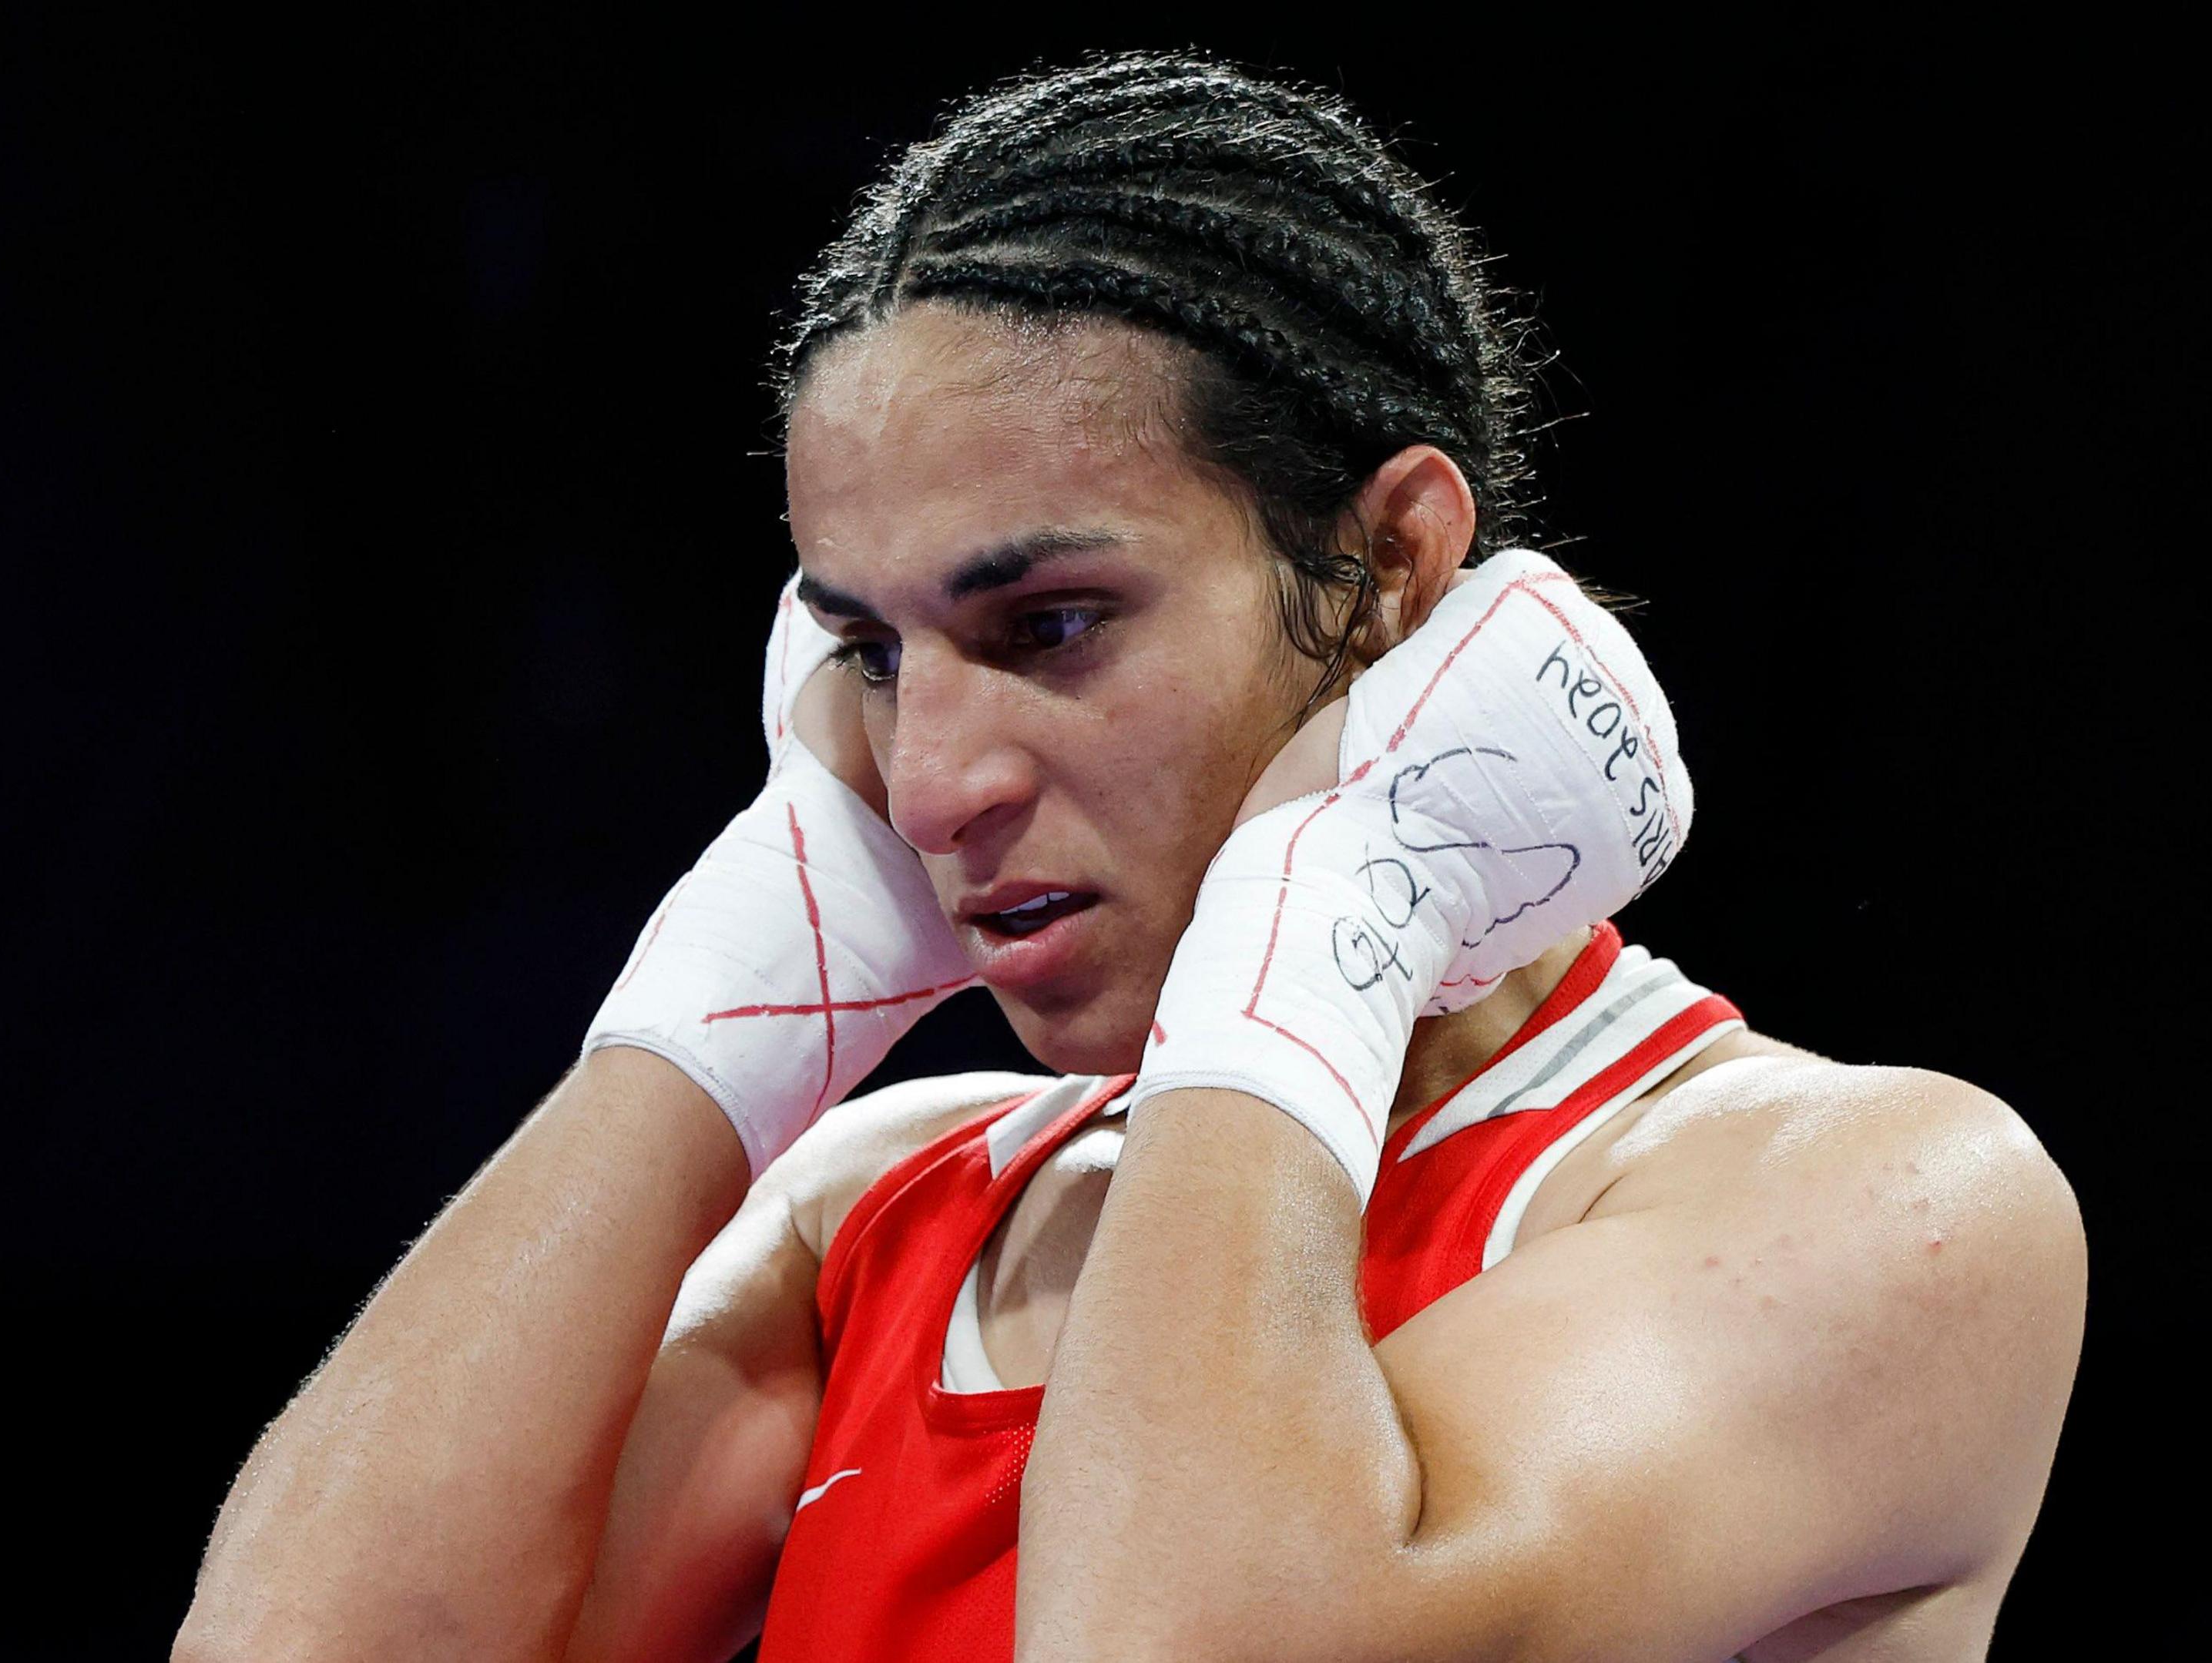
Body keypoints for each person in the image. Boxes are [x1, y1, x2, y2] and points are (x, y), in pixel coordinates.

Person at [177, 53, 2083, 1661]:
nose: (927, 784)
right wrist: (726, 1005)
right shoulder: (882, 1215)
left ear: (1392, 571)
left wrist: (1335, 882)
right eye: (870, 653)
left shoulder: (1882, 1202)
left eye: (1052, 625)